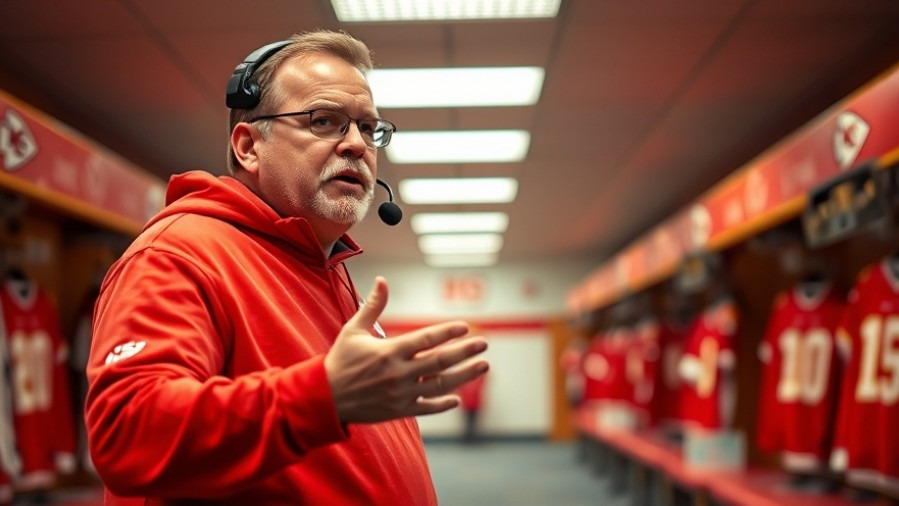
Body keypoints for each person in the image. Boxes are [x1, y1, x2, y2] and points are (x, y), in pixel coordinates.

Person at [84, 29, 490, 505]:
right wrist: (323, 396)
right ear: (248, 147)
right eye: (325, 121)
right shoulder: (180, 254)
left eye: (369, 127)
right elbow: (128, 435)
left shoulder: (319, 258)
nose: (357, 145)